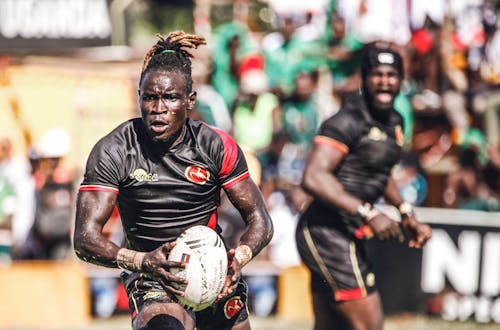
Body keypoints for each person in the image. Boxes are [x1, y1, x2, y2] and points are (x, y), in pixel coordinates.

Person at [73, 31, 273, 330]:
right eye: (149, 97)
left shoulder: (215, 146)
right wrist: (142, 261)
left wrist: (238, 260)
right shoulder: (114, 150)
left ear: (190, 99)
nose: (158, 109)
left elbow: (260, 220)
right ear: (138, 97)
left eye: (169, 98)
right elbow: (84, 238)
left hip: (213, 271)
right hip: (150, 274)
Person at [295, 45, 432, 330]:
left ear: (401, 79)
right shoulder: (347, 120)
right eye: (377, 74)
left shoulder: (395, 121)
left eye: (392, 75)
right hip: (325, 232)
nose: (385, 81)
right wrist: (369, 213)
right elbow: (314, 177)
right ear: (364, 78)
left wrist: (406, 213)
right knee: (370, 325)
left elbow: (381, 173)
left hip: (348, 231)